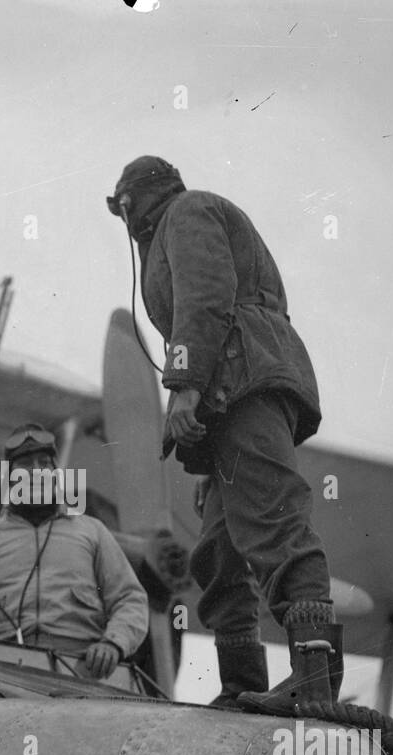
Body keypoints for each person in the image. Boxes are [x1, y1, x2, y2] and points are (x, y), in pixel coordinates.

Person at [107, 155, 342, 710]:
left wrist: (184, 387)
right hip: (229, 390)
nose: (122, 217)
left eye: (123, 203)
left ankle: (315, 675)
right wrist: (210, 454)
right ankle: (243, 683)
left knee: (272, 517)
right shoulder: (174, 226)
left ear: (140, 196)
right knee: (217, 549)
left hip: (244, 381)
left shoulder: (187, 214)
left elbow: (205, 300)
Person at [0, 425, 149, 680]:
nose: (36, 472)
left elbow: (131, 599)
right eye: (25, 465)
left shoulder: (93, 531)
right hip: (0, 676)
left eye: (44, 463)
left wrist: (113, 643)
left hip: (80, 673)